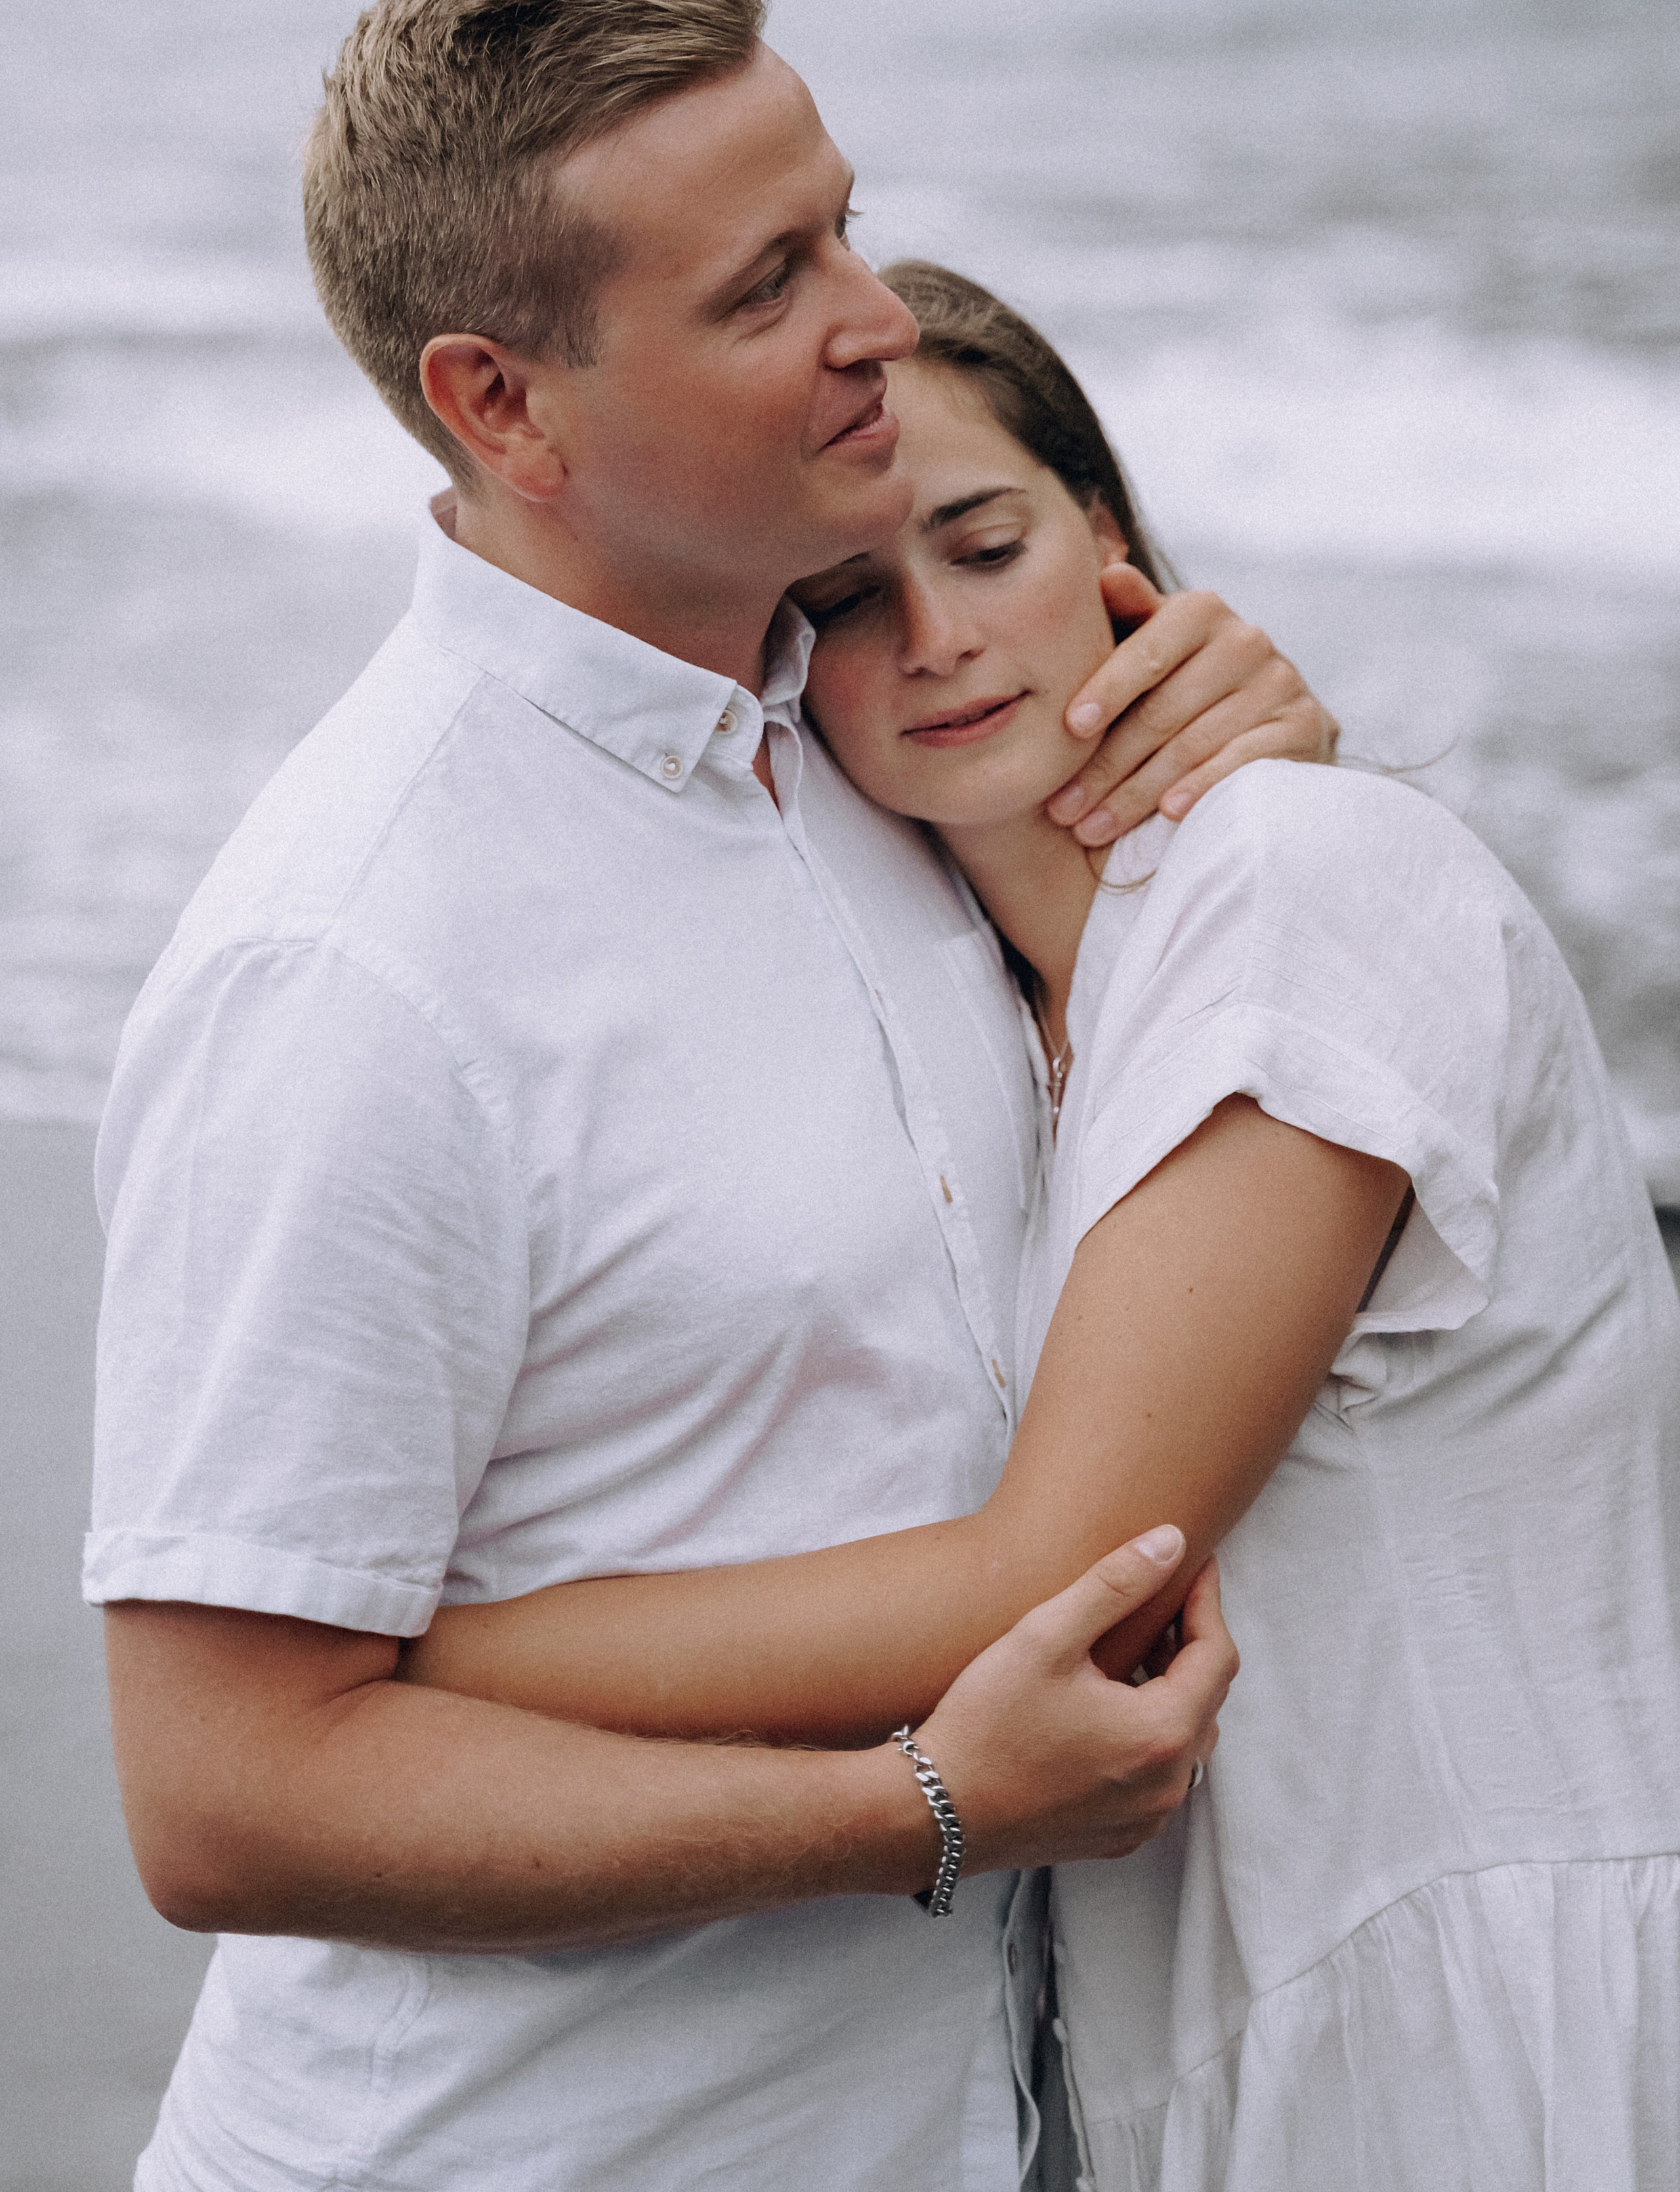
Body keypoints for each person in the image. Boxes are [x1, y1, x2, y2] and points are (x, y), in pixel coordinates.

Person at [86, 0, 1339, 2192]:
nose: (880, 319)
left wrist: (1240, 786)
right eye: (770, 286)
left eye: (846, 220)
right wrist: (922, 1812)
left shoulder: (861, 744)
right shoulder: (357, 967)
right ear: (504, 406)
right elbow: (227, 1785)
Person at [414, 260, 1680, 2191]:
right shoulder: (992, 1046)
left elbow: (1069, 1564)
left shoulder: (1292, 877)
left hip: (1476, 2028)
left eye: (983, 540)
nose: (931, 634)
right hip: (1215, 2044)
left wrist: (423, 1669)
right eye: (838, 599)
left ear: (1102, 533)